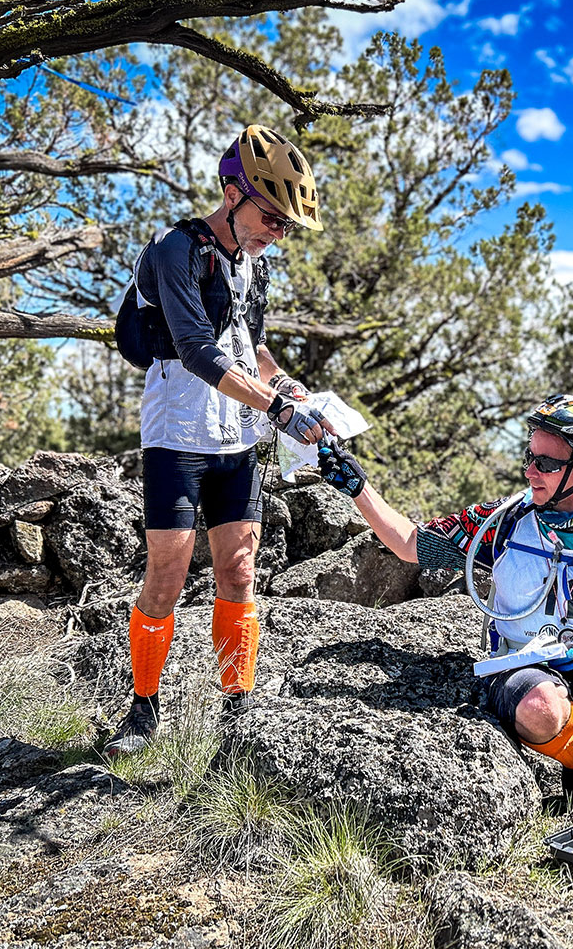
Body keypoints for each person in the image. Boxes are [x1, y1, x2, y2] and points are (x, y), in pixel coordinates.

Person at [316, 394, 573, 802]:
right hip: (524, 671)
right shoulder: (503, 522)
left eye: (546, 464)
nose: (531, 472)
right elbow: (411, 544)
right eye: (529, 458)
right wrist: (358, 488)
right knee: (542, 707)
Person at [106, 125, 333, 757]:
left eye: (287, 226)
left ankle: (236, 709)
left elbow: (250, 346)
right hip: (177, 432)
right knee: (169, 573)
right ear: (231, 191)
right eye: (271, 216)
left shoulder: (251, 263)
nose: (277, 234)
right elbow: (199, 352)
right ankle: (143, 708)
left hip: (237, 434)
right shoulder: (175, 249)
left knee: (239, 569)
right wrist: (279, 408)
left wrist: (289, 387)